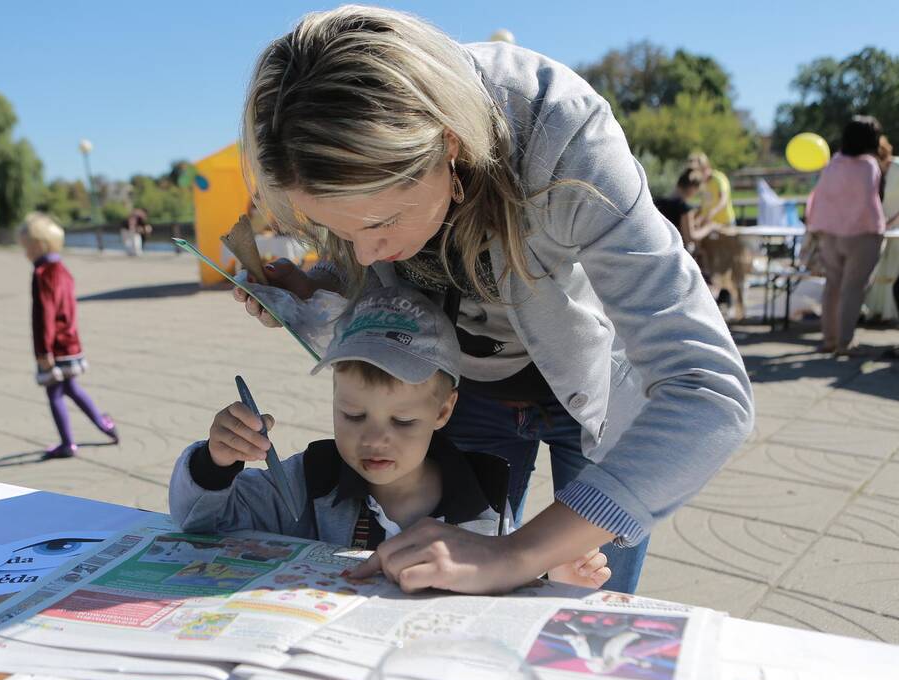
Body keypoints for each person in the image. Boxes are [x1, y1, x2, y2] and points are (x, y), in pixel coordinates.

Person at [232, 6, 752, 595]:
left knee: (589, 601)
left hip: (594, 388)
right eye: (341, 231)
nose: (369, 254)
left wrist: (516, 554)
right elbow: (366, 267)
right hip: (469, 389)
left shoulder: (564, 134)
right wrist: (321, 287)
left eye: (382, 222)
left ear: (448, 145)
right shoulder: (351, 178)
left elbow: (706, 391)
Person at [170, 286, 612, 590]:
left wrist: (560, 580)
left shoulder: (482, 503)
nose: (375, 439)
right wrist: (216, 462)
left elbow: (509, 588)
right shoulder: (311, 479)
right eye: (353, 414)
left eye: (402, 421)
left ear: (443, 411)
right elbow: (203, 523)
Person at [20, 212, 119, 459]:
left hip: (53, 346)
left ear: (39, 245)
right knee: (72, 387)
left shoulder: (43, 273)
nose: (26, 253)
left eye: (27, 247)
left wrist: (44, 351)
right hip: (71, 342)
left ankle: (67, 443)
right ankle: (104, 424)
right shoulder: (63, 270)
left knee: (54, 393)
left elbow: (45, 313)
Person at [806, 116, 888, 356]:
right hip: (862, 234)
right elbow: (868, 201)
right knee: (853, 288)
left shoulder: (833, 164)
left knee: (832, 287)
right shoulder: (869, 166)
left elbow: (818, 198)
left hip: (828, 234)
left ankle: (828, 339)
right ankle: (844, 342)